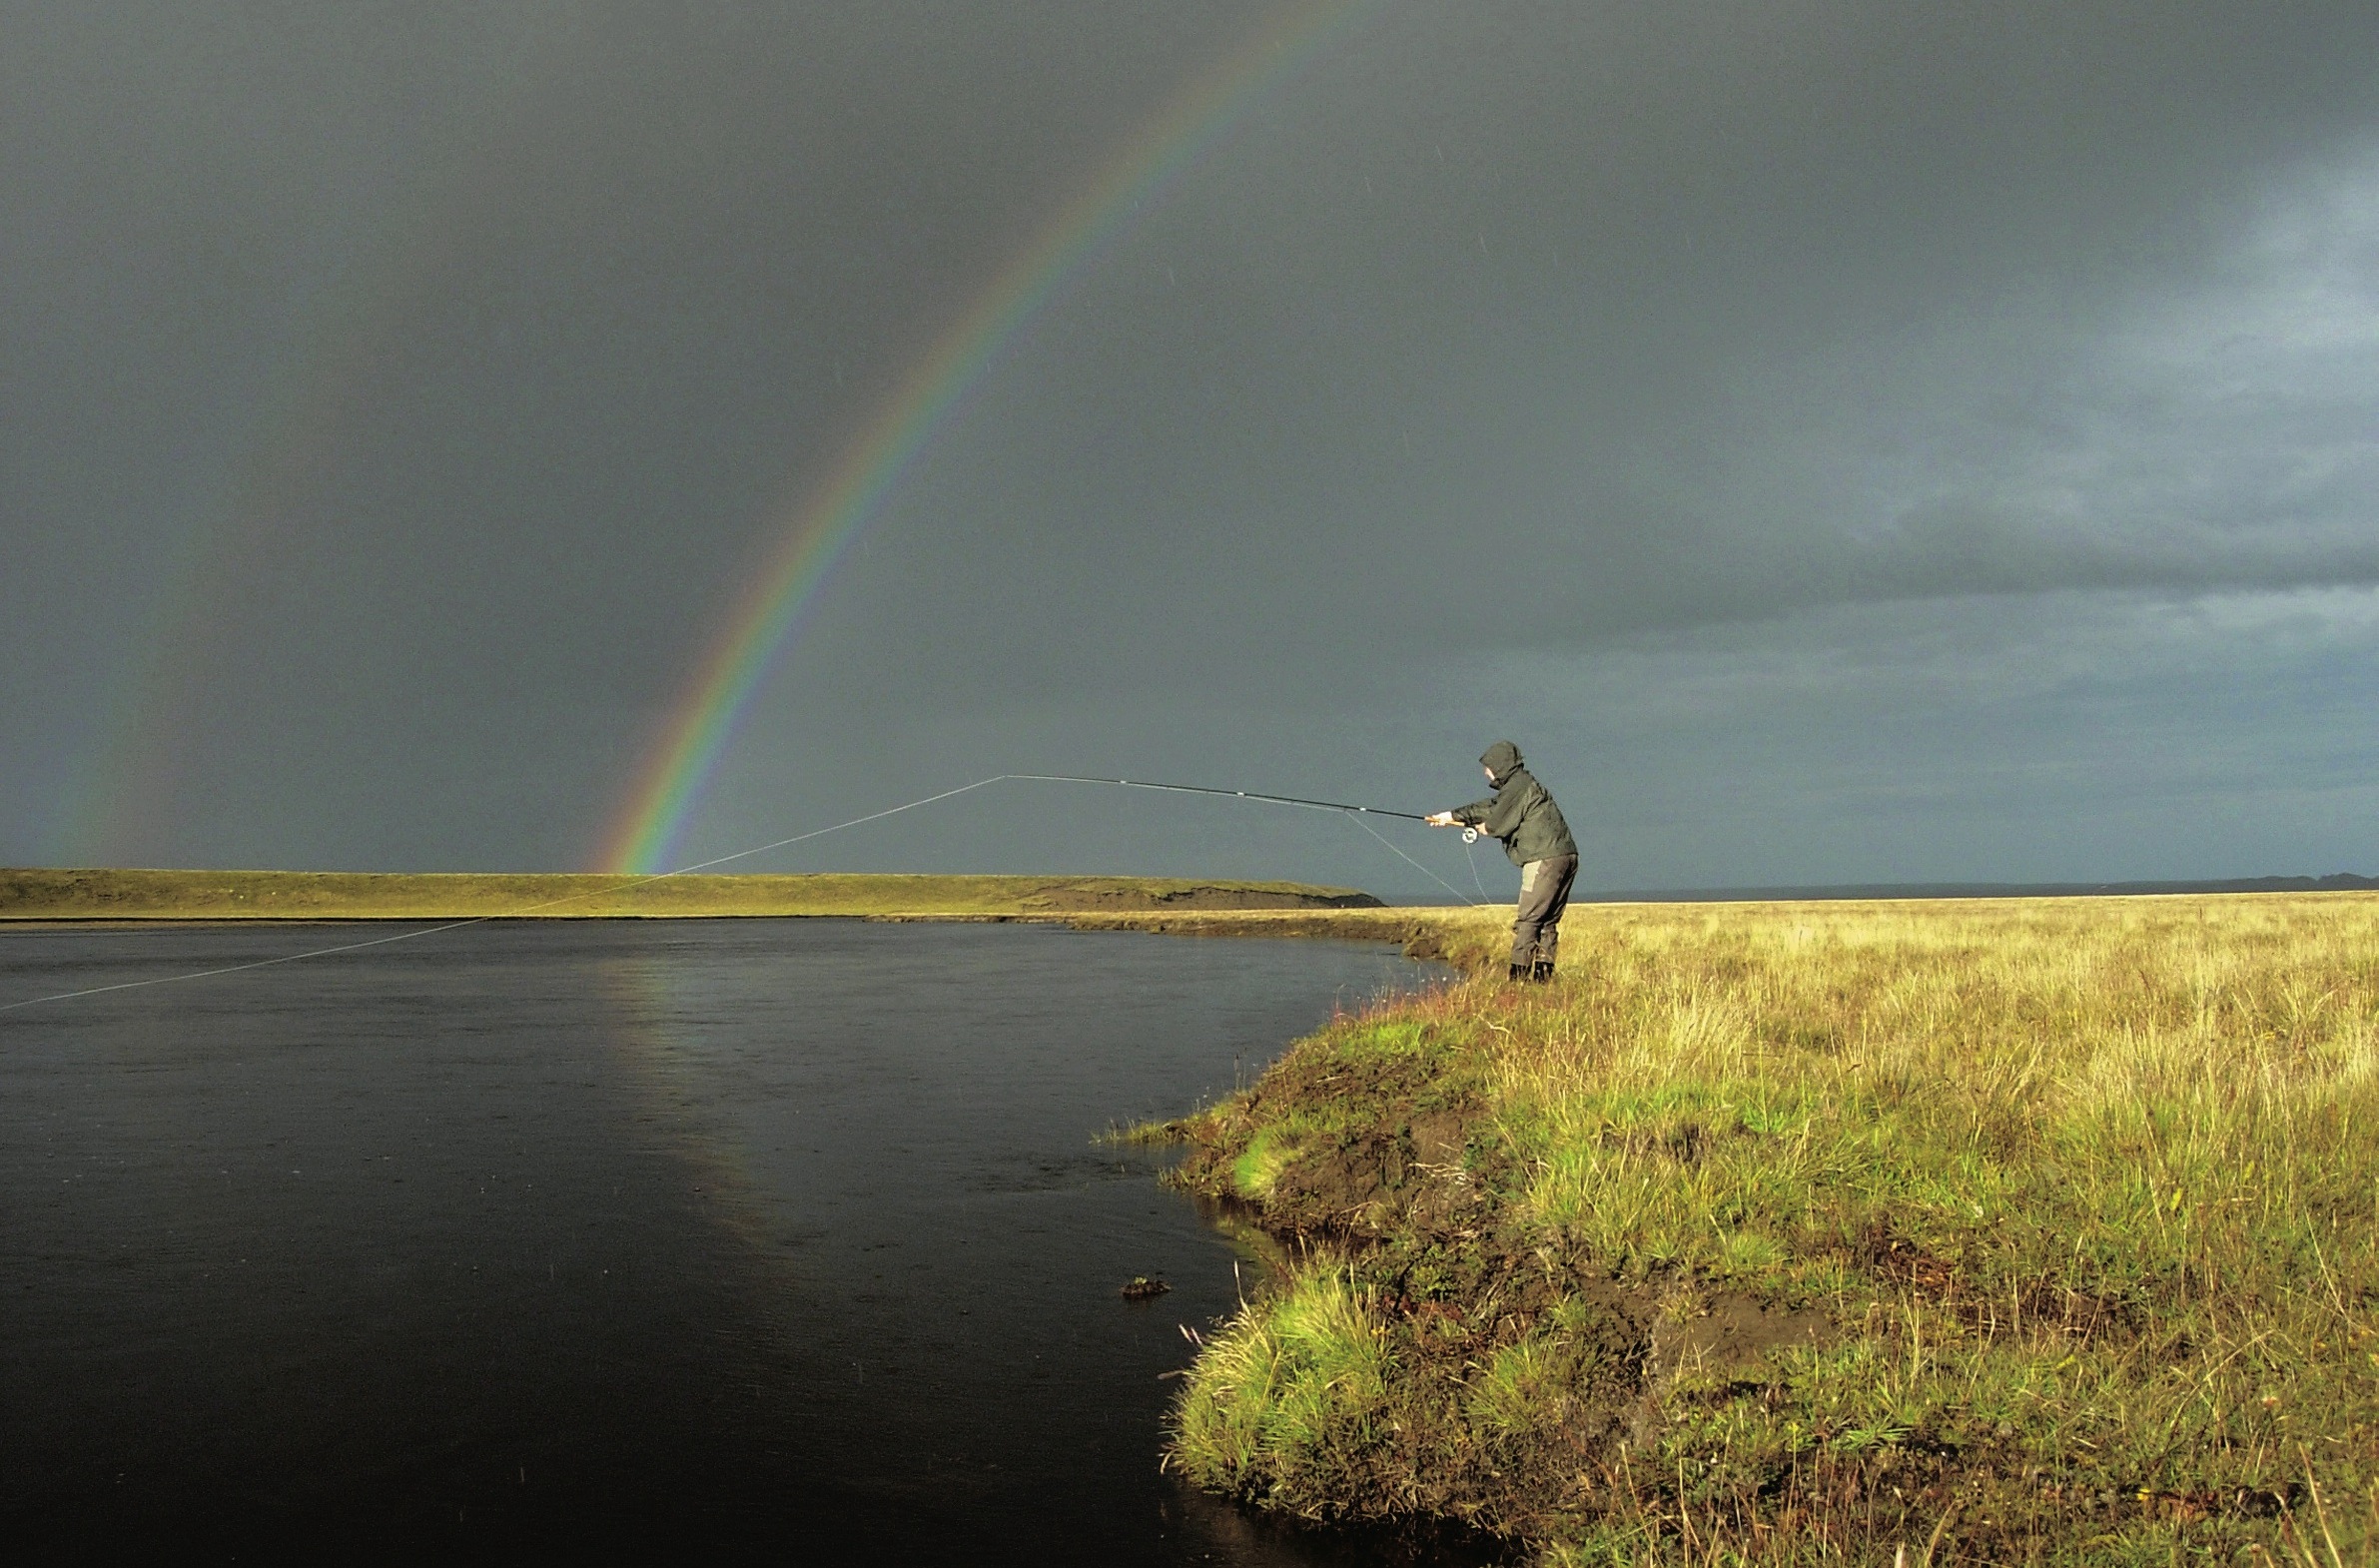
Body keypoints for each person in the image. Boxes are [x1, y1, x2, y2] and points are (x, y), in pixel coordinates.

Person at [1426, 741, 1578, 982]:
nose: (1486, 773)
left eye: (1488, 768)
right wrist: (1449, 817)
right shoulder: (1522, 785)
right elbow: (1492, 807)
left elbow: (1494, 824)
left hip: (1543, 859)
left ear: (1500, 765)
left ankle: (1517, 981)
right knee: (1547, 920)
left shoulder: (1518, 786)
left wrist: (1482, 828)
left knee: (1528, 920)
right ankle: (1542, 980)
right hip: (1565, 855)